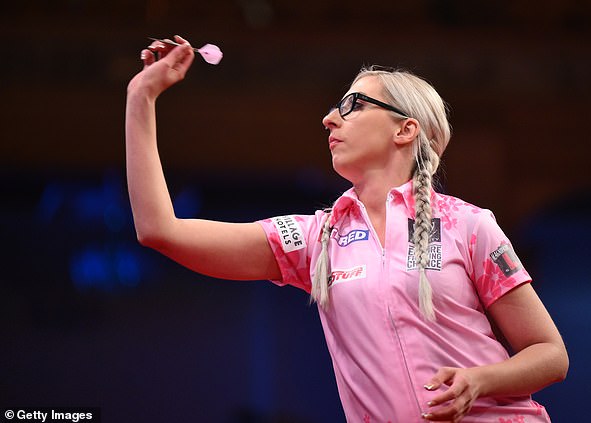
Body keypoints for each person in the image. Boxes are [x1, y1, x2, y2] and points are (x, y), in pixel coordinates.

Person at [126, 35, 568, 422]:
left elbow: (550, 354)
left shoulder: (466, 225)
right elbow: (160, 230)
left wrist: (479, 381)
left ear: (405, 129)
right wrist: (140, 99)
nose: (329, 119)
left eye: (352, 106)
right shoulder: (318, 240)